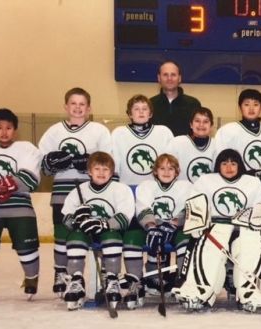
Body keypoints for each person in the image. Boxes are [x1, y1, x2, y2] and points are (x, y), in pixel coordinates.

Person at [172, 149, 261, 312]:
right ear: (218, 165)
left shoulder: (252, 182)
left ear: (240, 165)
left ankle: (251, 294)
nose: (229, 167)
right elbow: (196, 203)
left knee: (250, 248)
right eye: (224, 163)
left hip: (244, 227)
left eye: (233, 163)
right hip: (215, 225)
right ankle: (199, 291)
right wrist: (197, 223)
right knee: (209, 250)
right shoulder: (206, 180)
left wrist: (257, 216)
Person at [38, 87, 112, 296]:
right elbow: (42, 165)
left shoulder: (99, 131)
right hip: (62, 191)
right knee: (62, 234)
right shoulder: (54, 131)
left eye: (82, 104)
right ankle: (61, 272)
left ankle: (106, 272)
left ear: (89, 108)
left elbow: (108, 161)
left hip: (93, 192)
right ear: (66, 106)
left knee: (99, 230)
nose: (78, 108)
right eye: (73, 103)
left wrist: (90, 162)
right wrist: (51, 164)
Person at [111, 94, 173, 309]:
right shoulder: (118, 133)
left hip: (156, 191)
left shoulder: (163, 132)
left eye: (144, 108)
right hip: (128, 193)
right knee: (134, 236)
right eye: (135, 108)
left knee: (161, 231)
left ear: (151, 112)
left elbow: (168, 163)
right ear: (129, 113)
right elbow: (116, 165)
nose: (140, 112)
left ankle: (156, 276)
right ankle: (135, 279)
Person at [60, 151, 135, 310]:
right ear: (89, 171)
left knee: (112, 238)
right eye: (97, 169)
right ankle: (76, 281)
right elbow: (66, 217)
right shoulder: (78, 190)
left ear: (112, 171)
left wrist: (104, 224)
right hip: (86, 233)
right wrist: (78, 222)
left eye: (105, 169)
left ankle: (112, 280)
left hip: (110, 231)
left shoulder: (120, 189)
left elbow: (125, 215)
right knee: (75, 238)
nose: (101, 173)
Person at [0, 108, 42, 298]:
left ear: (15, 130)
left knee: (27, 247)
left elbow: (30, 180)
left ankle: (31, 277)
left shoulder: (27, 148)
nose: (4, 132)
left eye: (9, 128)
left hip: (20, 209)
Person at [135, 154, 193, 301]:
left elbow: (188, 208)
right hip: (154, 227)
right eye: (162, 168)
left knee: (185, 243)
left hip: (177, 228)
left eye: (171, 168)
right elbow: (143, 208)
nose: (166, 172)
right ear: (155, 171)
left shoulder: (185, 186)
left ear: (177, 171)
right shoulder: (146, 186)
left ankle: (182, 280)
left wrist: (174, 223)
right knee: (155, 238)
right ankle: (152, 278)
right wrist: (152, 227)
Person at [215, 88, 261, 186]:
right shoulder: (227, 131)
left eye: (256, 104)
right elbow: (221, 161)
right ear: (240, 107)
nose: (251, 109)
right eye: (246, 104)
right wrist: (244, 175)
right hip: (240, 185)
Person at [150, 60, 202, 136]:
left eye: (173, 75)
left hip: (185, 147)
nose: (169, 78)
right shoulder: (149, 104)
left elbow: (198, 133)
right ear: (159, 78)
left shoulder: (193, 104)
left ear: (179, 78)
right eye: (165, 75)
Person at [167, 106, 216, 182]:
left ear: (211, 126)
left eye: (205, 121)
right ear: (191, 124)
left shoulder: (217, 145)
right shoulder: (177, 143)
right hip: (182, 192)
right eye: (197, 121)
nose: (201, 125)